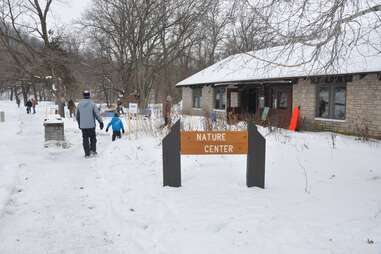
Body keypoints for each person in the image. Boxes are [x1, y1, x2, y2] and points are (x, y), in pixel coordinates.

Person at [76, 91, 104, 157]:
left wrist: (79, 124)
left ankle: (87, 153)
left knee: (85, 139)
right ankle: (93, 150)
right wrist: (101, 122)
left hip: (83, 126)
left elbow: (77, 116)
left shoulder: (79, 104)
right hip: (91, 125)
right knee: (93, 138)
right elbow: (97, 114)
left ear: (83, 96)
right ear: (89, 95)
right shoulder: (92, 104)